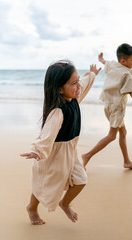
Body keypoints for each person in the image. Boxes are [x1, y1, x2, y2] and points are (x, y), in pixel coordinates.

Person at [20, 60, 101, 225]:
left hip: (70, 151)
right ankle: (32, 207)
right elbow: (46, 135)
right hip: (53, 154)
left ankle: (64, 203)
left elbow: (83, 85)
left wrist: (91, 74)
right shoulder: (57, 112)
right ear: (60, 89)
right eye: (73, 83)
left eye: (77, 80)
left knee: (81, 180)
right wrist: (37, 151)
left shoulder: (75, 99)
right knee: (43, 183)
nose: (78, 86)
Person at [82, 43, 132, 170]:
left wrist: (100, 59)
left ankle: (126, 161)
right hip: (117, 108)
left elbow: (105, 62)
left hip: (108, 105)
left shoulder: (113, 65)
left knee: (123, 132)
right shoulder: (127, 74)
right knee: (112, 136)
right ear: (123, 60)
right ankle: (87, 155)